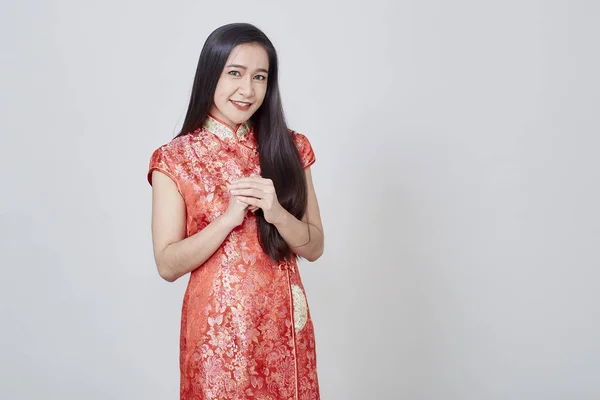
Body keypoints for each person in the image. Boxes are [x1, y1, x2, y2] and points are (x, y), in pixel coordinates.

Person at [147, 22, 324, 399]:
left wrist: (276, 212)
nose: (247, 90)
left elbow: (314, 246)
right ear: (211, 74)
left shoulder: (290, 147)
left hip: (283, 330)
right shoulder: (175, 159)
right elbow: (167, 264)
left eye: (260, 77)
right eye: (235, 73)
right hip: (217, 335)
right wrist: (228, 220)